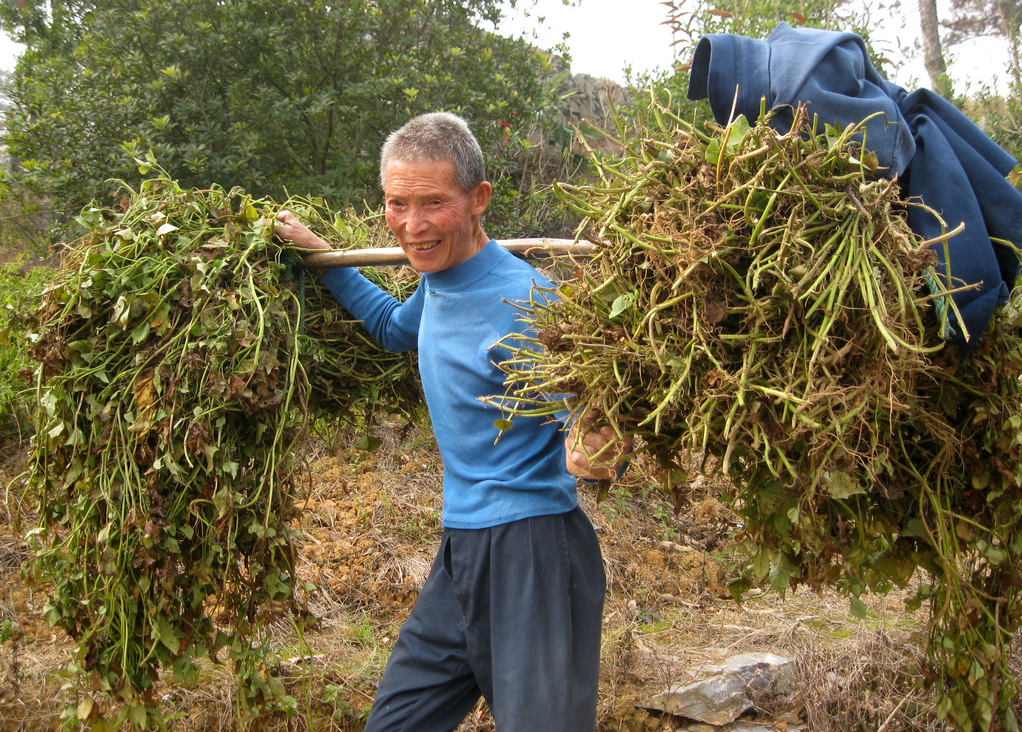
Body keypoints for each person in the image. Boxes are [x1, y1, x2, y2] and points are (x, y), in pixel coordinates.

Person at [275, 111, 628, 731]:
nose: (412, 227)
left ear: (477, 200)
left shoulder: (529, 302)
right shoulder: (437, 284)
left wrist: (592, 446)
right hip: (463, 549)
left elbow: (592, 413)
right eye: (396, 204)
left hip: (533, 549)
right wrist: (321, 256)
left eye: (433, 204)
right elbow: (392, 328)